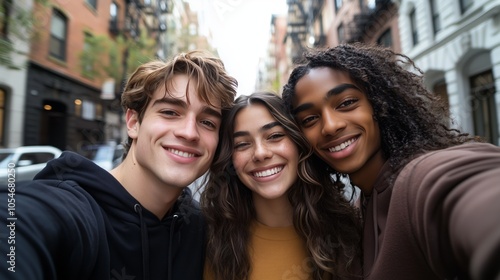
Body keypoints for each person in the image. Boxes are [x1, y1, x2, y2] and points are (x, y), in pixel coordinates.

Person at [0, 51, 237, 279]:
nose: (189, 132)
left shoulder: (201, 228)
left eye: (207, 122)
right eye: (170, 112)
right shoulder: (72, 210)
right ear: (133, 122)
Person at [281, 43, 500, 280]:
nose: (331, 126)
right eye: (310, 119)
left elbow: (468, 186)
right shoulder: (357, 210)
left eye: (346, 103)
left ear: (378, 103)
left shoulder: (419, 177)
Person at [201, 92, 362, 280]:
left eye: (275, 136)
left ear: (298, 144)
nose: (260, 153)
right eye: (243, 144)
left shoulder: (348, 231)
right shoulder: (212, 242)